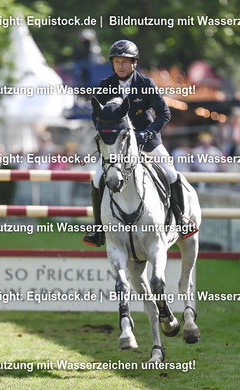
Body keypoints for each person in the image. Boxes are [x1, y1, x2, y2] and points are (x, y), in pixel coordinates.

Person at [83, 40, 198, 247]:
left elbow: (164, 113)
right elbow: (96, 115)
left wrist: (149, 132)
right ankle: (98, 228)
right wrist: (107, 136)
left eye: (124, 62)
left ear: (134, 63)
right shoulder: (105, 85)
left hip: (147, 142)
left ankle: (181, 219)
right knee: (97, 179)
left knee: (171, 173)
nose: (120, 66)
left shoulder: (146, 84)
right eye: (117, 62)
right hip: (118, 147)